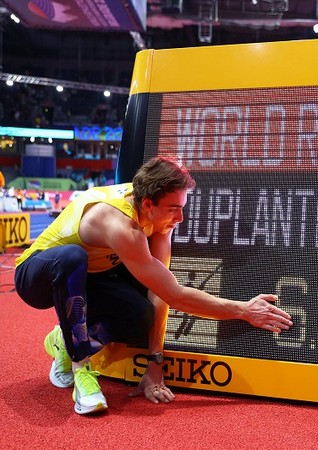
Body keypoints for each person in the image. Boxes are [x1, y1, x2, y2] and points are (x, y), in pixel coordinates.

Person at [14, 156, 293, 415]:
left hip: (88, 279)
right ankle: (81, 369)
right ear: (148, 204)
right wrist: (243, 310)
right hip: (37, 277)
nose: (180, 218)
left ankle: (64, 341)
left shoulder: (158, 221)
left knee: (140, 313)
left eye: (182, 208)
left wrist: (155, 362)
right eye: (174, 209)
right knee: (71, 257)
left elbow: (163, 292)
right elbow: (178, 295)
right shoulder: (120, 225)